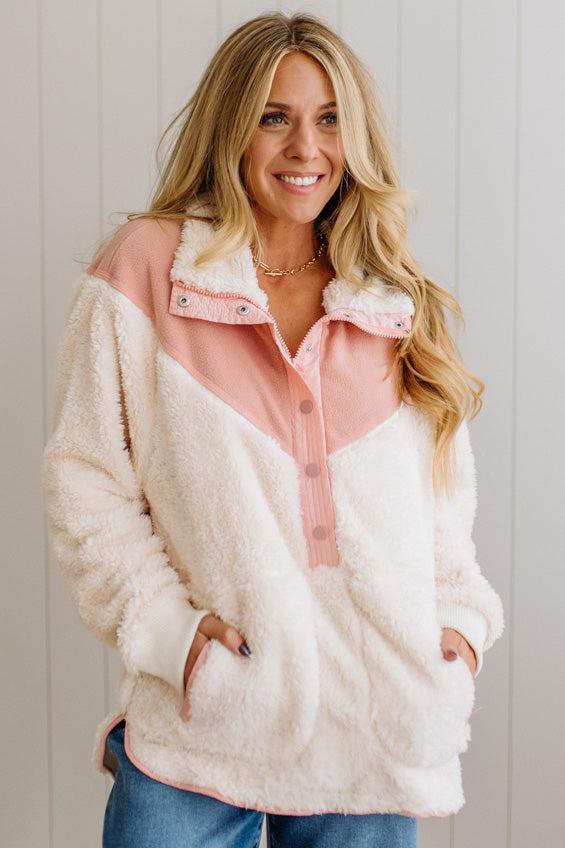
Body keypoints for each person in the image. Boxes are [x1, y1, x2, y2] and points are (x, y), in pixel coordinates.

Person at [41, 11, 505, 848]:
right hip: (204, 722)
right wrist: (167, 635)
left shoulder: (393, 298)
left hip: (373, 730)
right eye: (274, 116)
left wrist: (459, 636)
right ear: (232, 126)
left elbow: (442, 511)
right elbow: (85, 479)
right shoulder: (145, 272)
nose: (306, 148)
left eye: (329, 119)